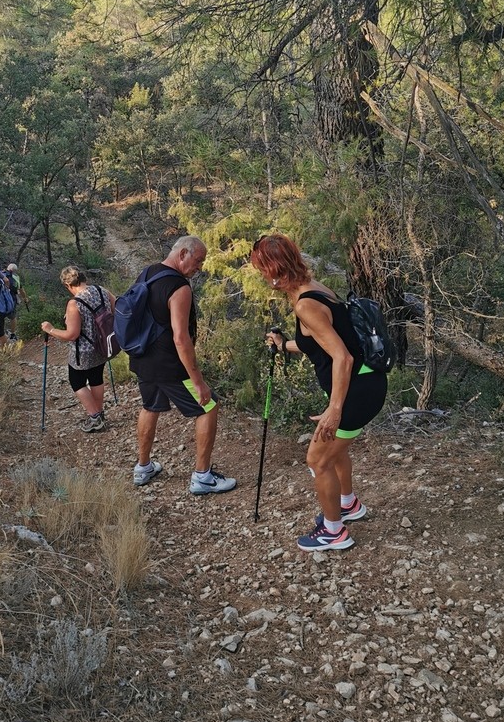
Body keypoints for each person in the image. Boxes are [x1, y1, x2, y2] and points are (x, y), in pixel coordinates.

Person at [250, 233, 387, 552]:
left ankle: (334, 531)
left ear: (273, 272)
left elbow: (343, 357)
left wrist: (335, 409)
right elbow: (323, 344)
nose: (262, 277)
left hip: (357, 390)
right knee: (334, 452)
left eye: (262, 270)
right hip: (364, 384)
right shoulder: (315, 290)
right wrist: (284, 345)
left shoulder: (306, 304)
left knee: (317, 459)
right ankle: (348, 504)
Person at [126, 236, 236, 496]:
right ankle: (203, 477)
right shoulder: (179, 287)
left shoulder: (148, 272)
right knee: (208, 405)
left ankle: (143, 468)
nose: (199, 267)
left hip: (143, 358)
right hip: (169, 364)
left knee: (150, 406)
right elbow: (180, 337)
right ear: (183, 253)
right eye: (198, 261)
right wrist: (198, 381)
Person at [40, 267, 115, 432]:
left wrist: (50, 329)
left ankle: (95, 417)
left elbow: (71, 335)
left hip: (83, 351)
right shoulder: (101, 290)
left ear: (68, 285)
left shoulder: (74, 303)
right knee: (96, 378)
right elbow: (115, 310)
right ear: (83, 278)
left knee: (77, 381)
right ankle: (99, 413)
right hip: (103, 345)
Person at [4, 262, 28, 341]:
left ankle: (0, 333)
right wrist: (25, 298)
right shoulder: (16, 277)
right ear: (15, 270)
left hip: (1, 299)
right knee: (13, 317)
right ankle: (13, 334)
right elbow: (21, 289)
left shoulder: (1, 274)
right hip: (11, 299)